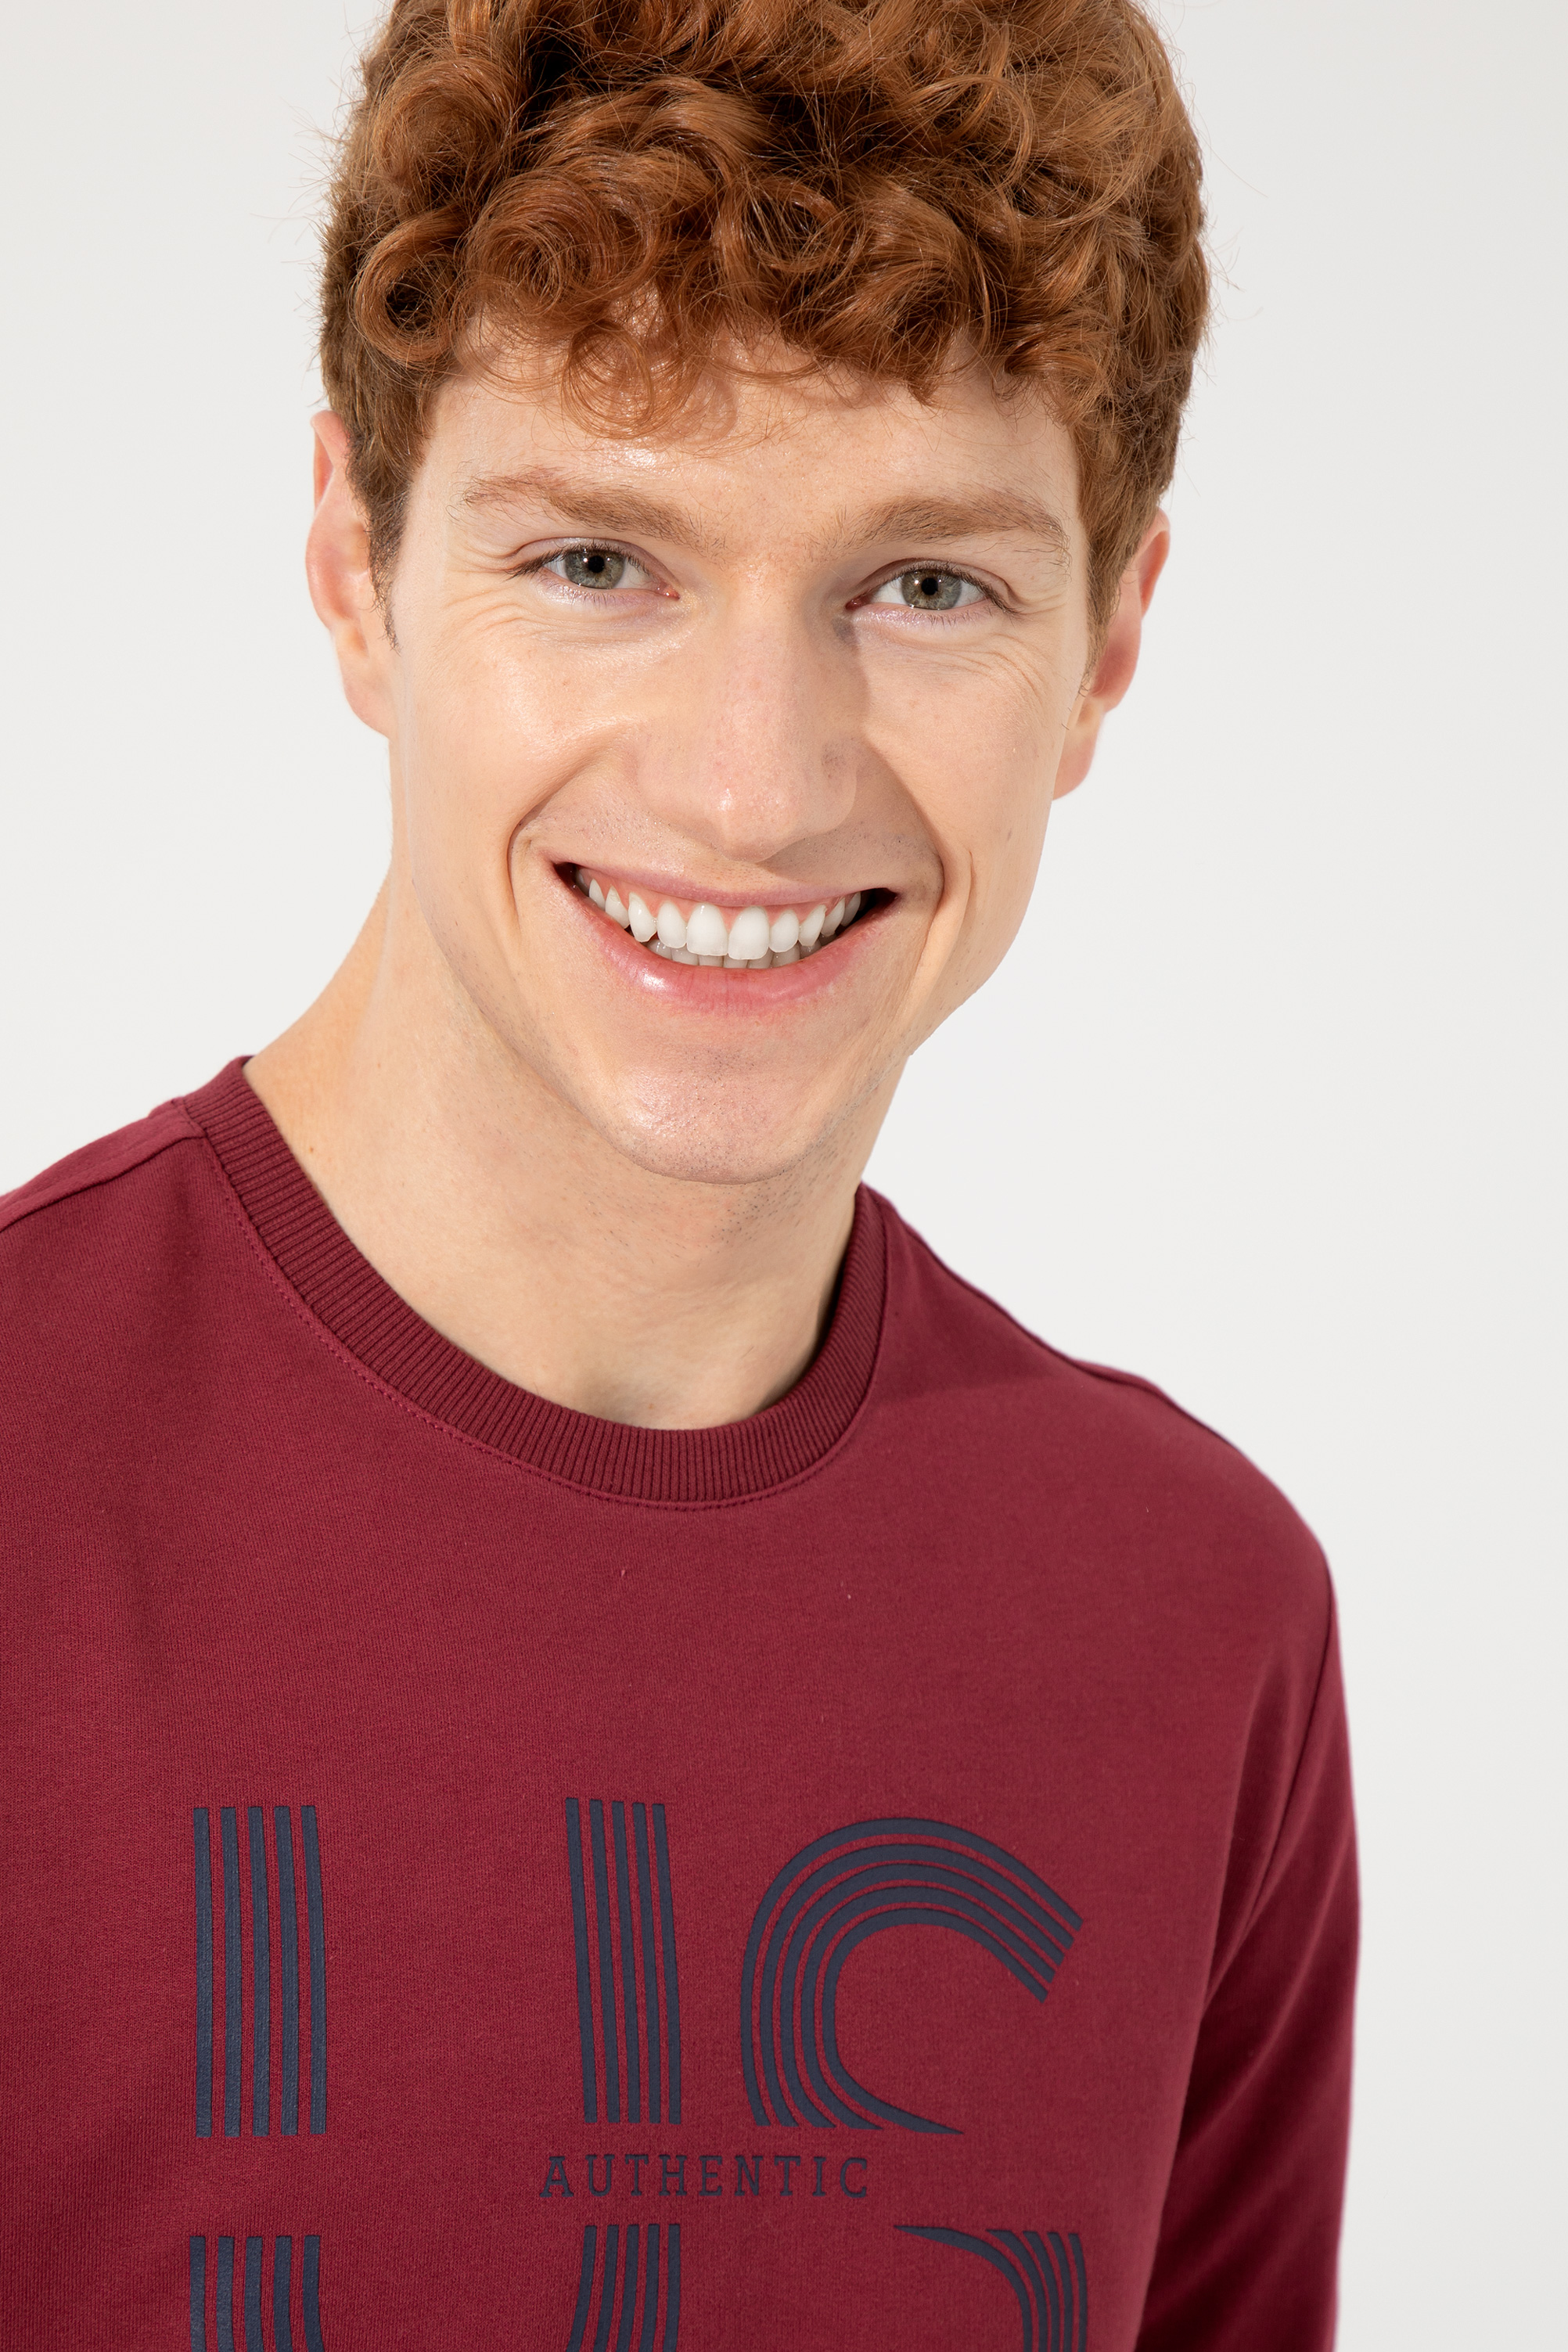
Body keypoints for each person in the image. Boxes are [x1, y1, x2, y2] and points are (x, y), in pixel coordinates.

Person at [0, 2, 1356, 2346]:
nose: (753, 787)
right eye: (598, 559)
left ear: (1109, 644)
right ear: (354, 565)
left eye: (924, 587)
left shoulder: (1196, 1617)